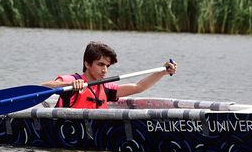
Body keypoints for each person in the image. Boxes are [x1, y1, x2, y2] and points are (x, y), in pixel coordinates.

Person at [40, 41, 177, 109]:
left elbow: (138, 87)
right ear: (87, 64)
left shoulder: (105, 88)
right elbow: (43, 86)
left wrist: (163, 72)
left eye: (107, 66)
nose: (105, 70)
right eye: (100, 65)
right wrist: (69, 86)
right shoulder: (73, 80)